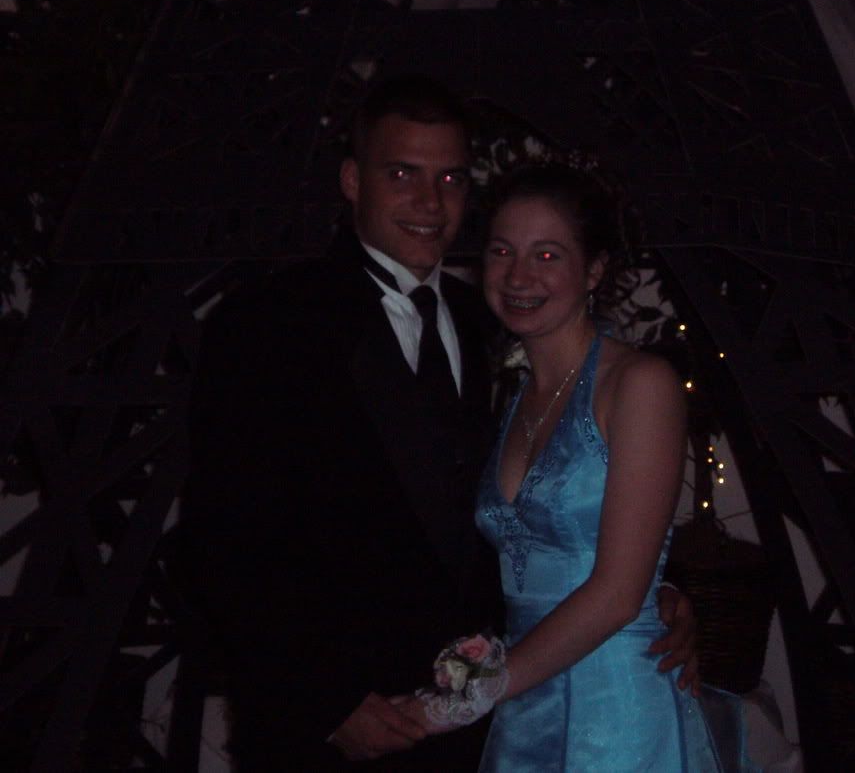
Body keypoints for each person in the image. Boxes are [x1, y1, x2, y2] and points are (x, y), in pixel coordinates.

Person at [177, 75, 698, 771]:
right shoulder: (267, 324)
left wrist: (652, 591)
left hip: (483, 728)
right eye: (403, 174)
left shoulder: (497, 323)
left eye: (450, 178)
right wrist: (325, 702)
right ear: (352, 181)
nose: (430, 202)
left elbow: (543, 510)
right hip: (331, 733)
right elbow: (223, 541)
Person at [397, 164, 758, 771]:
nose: (518, 276)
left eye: (547, 255)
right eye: (502, 251)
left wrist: (457, 702)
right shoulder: (509, 394)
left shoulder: (640, 382)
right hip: (524, 704)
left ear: (594, 271)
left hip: (616, 711)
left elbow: (618, 594)